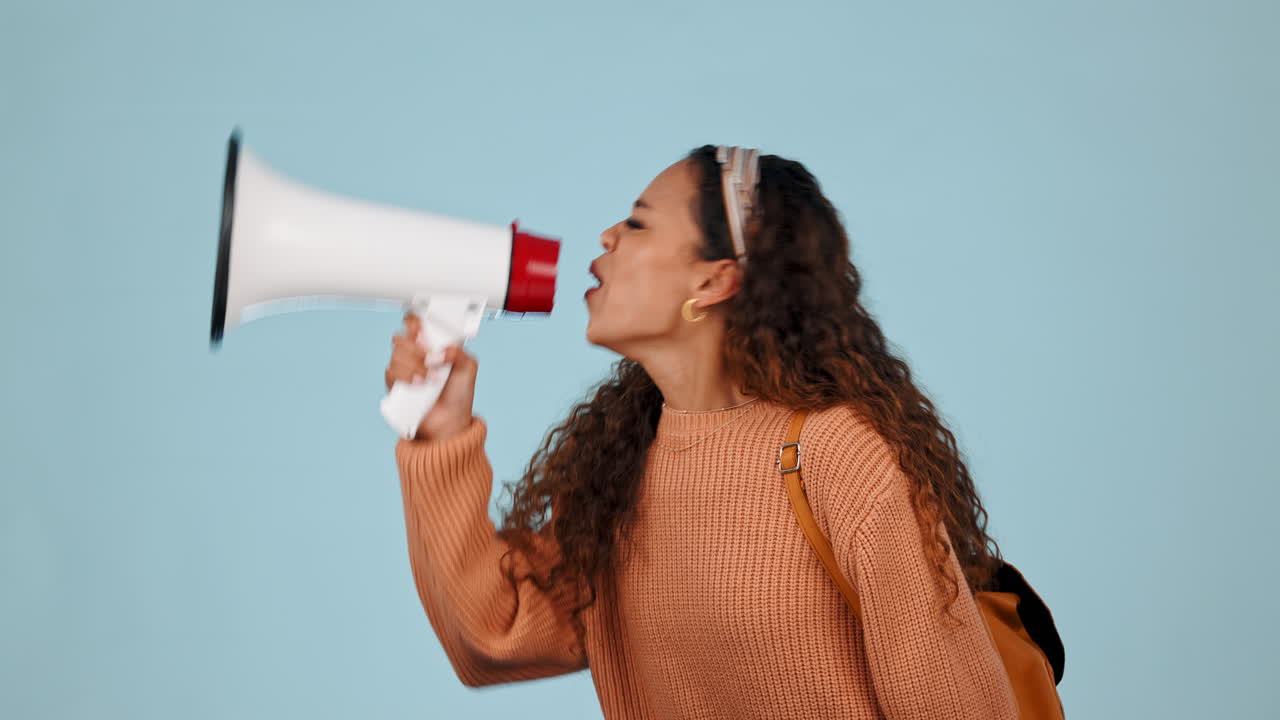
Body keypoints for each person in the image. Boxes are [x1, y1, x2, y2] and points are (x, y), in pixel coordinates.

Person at [384, 145, 1019, 719]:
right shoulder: (622, 469)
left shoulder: (837, 457)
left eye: (636, 224)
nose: (606, 235)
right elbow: (491, 636)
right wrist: (443, 435)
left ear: (714, 279)